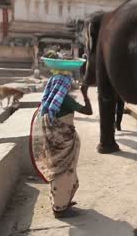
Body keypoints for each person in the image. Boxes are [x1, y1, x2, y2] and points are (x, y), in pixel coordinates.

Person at [30, 74, 92, 218]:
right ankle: (60, 209)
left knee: (57, 171)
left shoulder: (47, 101)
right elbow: (89, 111)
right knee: (64, 174)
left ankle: (59, 202)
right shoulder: (66, 100)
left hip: (53, 144)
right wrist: (85, 94)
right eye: (68, 84)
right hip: (65, 143)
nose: (70, 86)